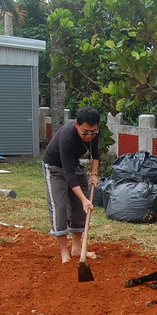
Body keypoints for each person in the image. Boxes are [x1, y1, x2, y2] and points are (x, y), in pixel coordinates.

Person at [42, 106, 101, 263]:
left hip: (73, 166)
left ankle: (76, 249)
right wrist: (84, 199)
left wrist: (94, 174)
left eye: (93, 131)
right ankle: (64, 252)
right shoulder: (67, 137)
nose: (89, 136)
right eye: (85, 132)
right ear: (77, 125)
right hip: (55, 168)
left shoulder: (95, 132)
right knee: (59, 207)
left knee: (78, 209)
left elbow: (95, 154)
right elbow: (68, 175)